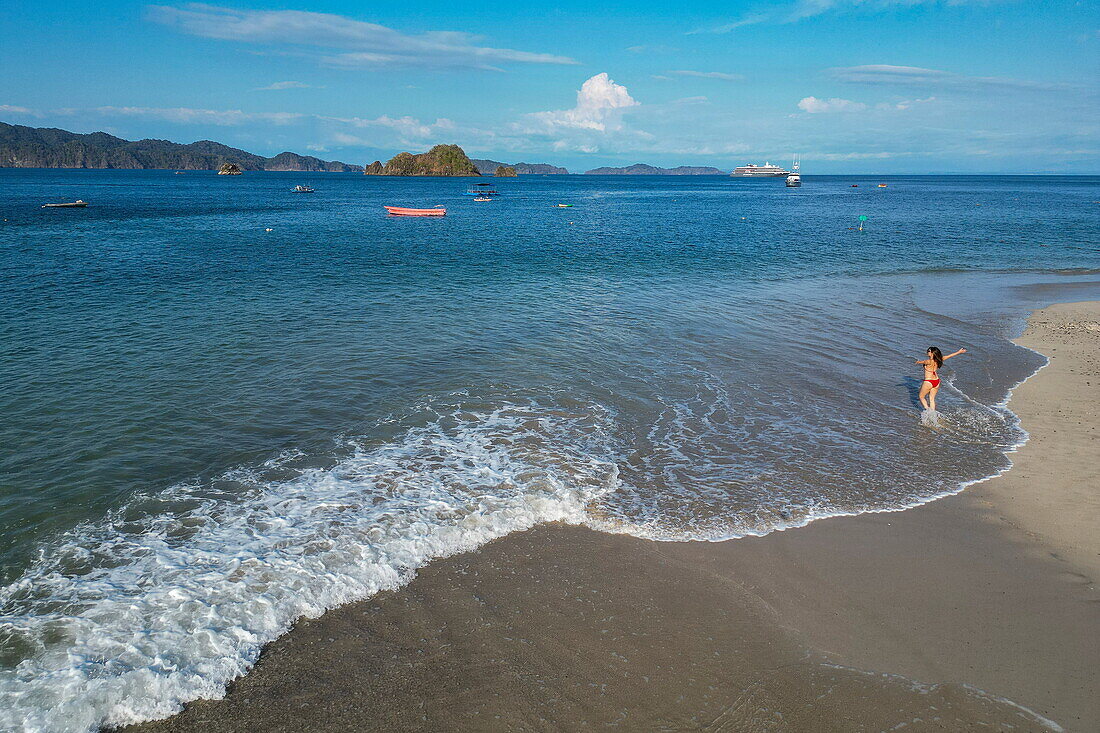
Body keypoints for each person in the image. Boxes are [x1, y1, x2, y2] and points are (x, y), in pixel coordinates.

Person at [916, 346, 966, 412]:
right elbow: (950, 356)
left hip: (928, 381)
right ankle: (933, 413)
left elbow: (920, 362)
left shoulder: (928, 361)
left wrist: (917, 362)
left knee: (921, 397)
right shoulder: (940, 359)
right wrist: (959, 352)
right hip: (936, 381)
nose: (927, 352)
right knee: (932, 399)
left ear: (932, 353)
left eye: (928, 351)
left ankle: (928, 410)